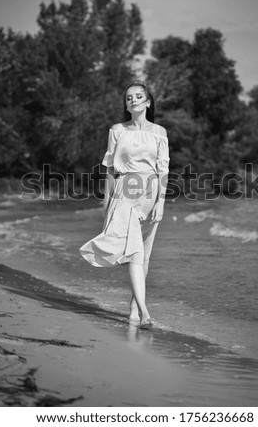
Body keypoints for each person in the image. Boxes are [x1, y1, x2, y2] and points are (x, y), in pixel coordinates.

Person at [79, 80, 169, 329]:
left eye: (139, 96)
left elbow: (163, 170)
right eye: (129, 98)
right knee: (135, 253)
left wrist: (160, 203)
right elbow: (109, 168)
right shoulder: (117, 130)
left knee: (146, 255)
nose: (133, 100)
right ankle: (145, 312)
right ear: (126, 105)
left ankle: (132, 308)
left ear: (148, 102)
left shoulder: (159, 132)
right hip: (125, 191)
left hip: (151, 192)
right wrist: (106, 202)